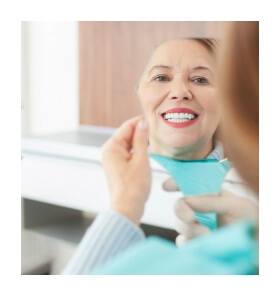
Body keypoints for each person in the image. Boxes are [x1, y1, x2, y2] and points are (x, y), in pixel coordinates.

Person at [63, 22, 258, 274]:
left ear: (229, 98)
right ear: (139, 92)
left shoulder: (254, 188)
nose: (179, 92)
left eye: (200, 79)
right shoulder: (87, 177)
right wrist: (124, 207)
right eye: (161, 77)